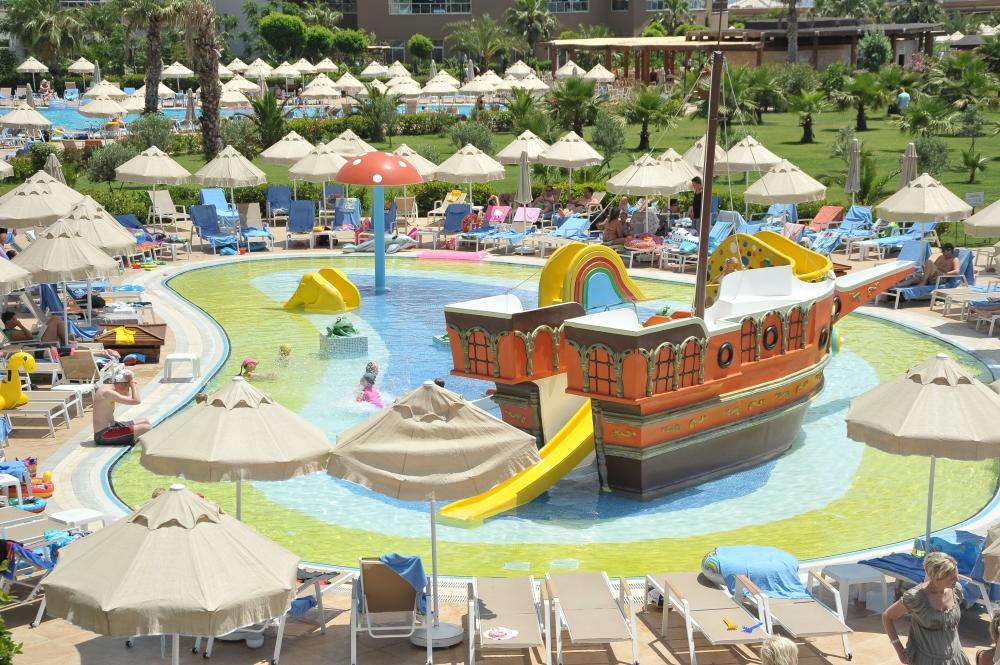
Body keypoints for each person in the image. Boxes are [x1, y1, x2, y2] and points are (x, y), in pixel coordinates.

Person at [882, 551, 971, 665]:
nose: (957, 580)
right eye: (952, 578)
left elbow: (953, 623)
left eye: (957, 575)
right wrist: (899, 651)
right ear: (937, 578)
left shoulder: (956, 590)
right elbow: (887, 616)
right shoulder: (916, 597)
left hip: (955, 658)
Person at [93, 368, 152, 446]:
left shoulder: (106, 387)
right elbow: (136, 401)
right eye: (129, 387)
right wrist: (132, 383)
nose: (129, 390)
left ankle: (132, 439)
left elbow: (130, 397)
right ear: (121, 384)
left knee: (145, 421)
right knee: (146, 428)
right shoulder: (107, 393)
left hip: (112, 426)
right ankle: (135, 442)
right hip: (103, 435)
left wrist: (130, 382)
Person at [1, 311, 67, 343]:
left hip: (39, 340)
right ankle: (67, 343)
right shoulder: (11, 333)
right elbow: (30, 337)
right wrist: (20, 325)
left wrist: (38, 332)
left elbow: (29, 334)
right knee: (55, 319)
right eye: (14, 319)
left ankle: (66, 342)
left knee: (54, 321)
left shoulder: (13, 330)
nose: (17, 321)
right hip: (40, 344)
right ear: (7, 322)